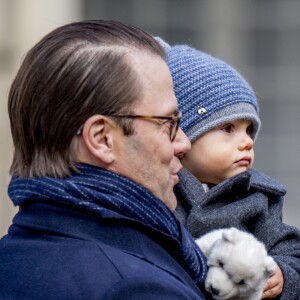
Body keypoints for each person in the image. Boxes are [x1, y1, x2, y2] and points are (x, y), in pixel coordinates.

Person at [0, 20, 208, 299]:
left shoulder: (13, 258)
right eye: (168, 122)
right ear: (101, 139)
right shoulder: (138, 289)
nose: (183, 142)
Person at [160, 40, 300, 300]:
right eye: (228, 129)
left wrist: (284, 274)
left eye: (249, 129)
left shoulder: (257, 196)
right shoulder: (164, 189)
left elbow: (291, 249)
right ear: (183, 134)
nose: (247, 141)